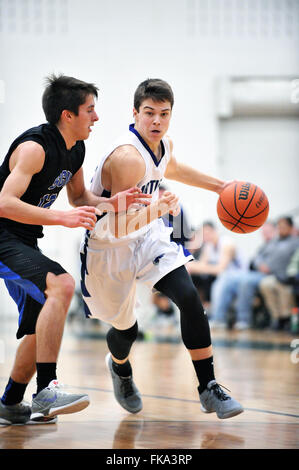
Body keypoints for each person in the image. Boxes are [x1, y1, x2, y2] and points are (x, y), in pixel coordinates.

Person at [80, 78, 244, 419]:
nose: (157, 121)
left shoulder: (162, 144)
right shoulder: (126, 157)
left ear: (170, 115)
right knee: (127, 330)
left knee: (188, 297)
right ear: (135, 113)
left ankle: (208, 387)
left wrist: (221, 186)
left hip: (148, 234)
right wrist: (158, 209)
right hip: (109, 244)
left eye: (164, 114)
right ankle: (120, 368)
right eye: (150, 113)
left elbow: (175, 167)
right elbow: (121, 227)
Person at [0, 74, 150, 425]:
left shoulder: (76, 149)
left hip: (22, 240)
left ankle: (9, 402)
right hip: (2, 235)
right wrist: (62, 219)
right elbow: (4, 203)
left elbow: (81, 198)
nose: (96, 118)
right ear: (68, 115)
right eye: (90, 110)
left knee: (41, 324)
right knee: (62, 285)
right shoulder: (34, 148)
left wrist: (115, 202)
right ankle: (45, 389)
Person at [206, 220, 276, 330]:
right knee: (224, 280)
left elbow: (274, 264)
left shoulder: (279, 244)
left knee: (241, 280)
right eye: (264, 231)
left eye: (269, 231)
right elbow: (256, 261)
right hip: (251, 274)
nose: (265, 233)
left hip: (269, 274)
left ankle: (244, 320)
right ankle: (219, 319)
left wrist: (266, 266)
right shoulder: (264, 246)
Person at [186, 221, 244, 314]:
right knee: (196, 278)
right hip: (221, 276)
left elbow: (220, 269)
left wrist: (193, 266)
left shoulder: (227, 243)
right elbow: (202, 265)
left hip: (236, 276)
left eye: (207, 233)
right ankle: (196, 312)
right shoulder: (209, 246)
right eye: (203, 235)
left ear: (214, 231)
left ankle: (218, 319)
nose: (205, 237)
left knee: (218, 284)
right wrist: (188, 266)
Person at [259, 217, 299, 331]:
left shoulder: (295, 242)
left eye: (284, 226)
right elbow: (259, 255)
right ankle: (277, 317)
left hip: (288, 276)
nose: (281, 229)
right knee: (265, 284)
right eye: (279, 226)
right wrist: (260, 264)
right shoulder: (273, 241)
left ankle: (287, 318)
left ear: (291, 228)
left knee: (284, 290)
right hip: (273, 275)